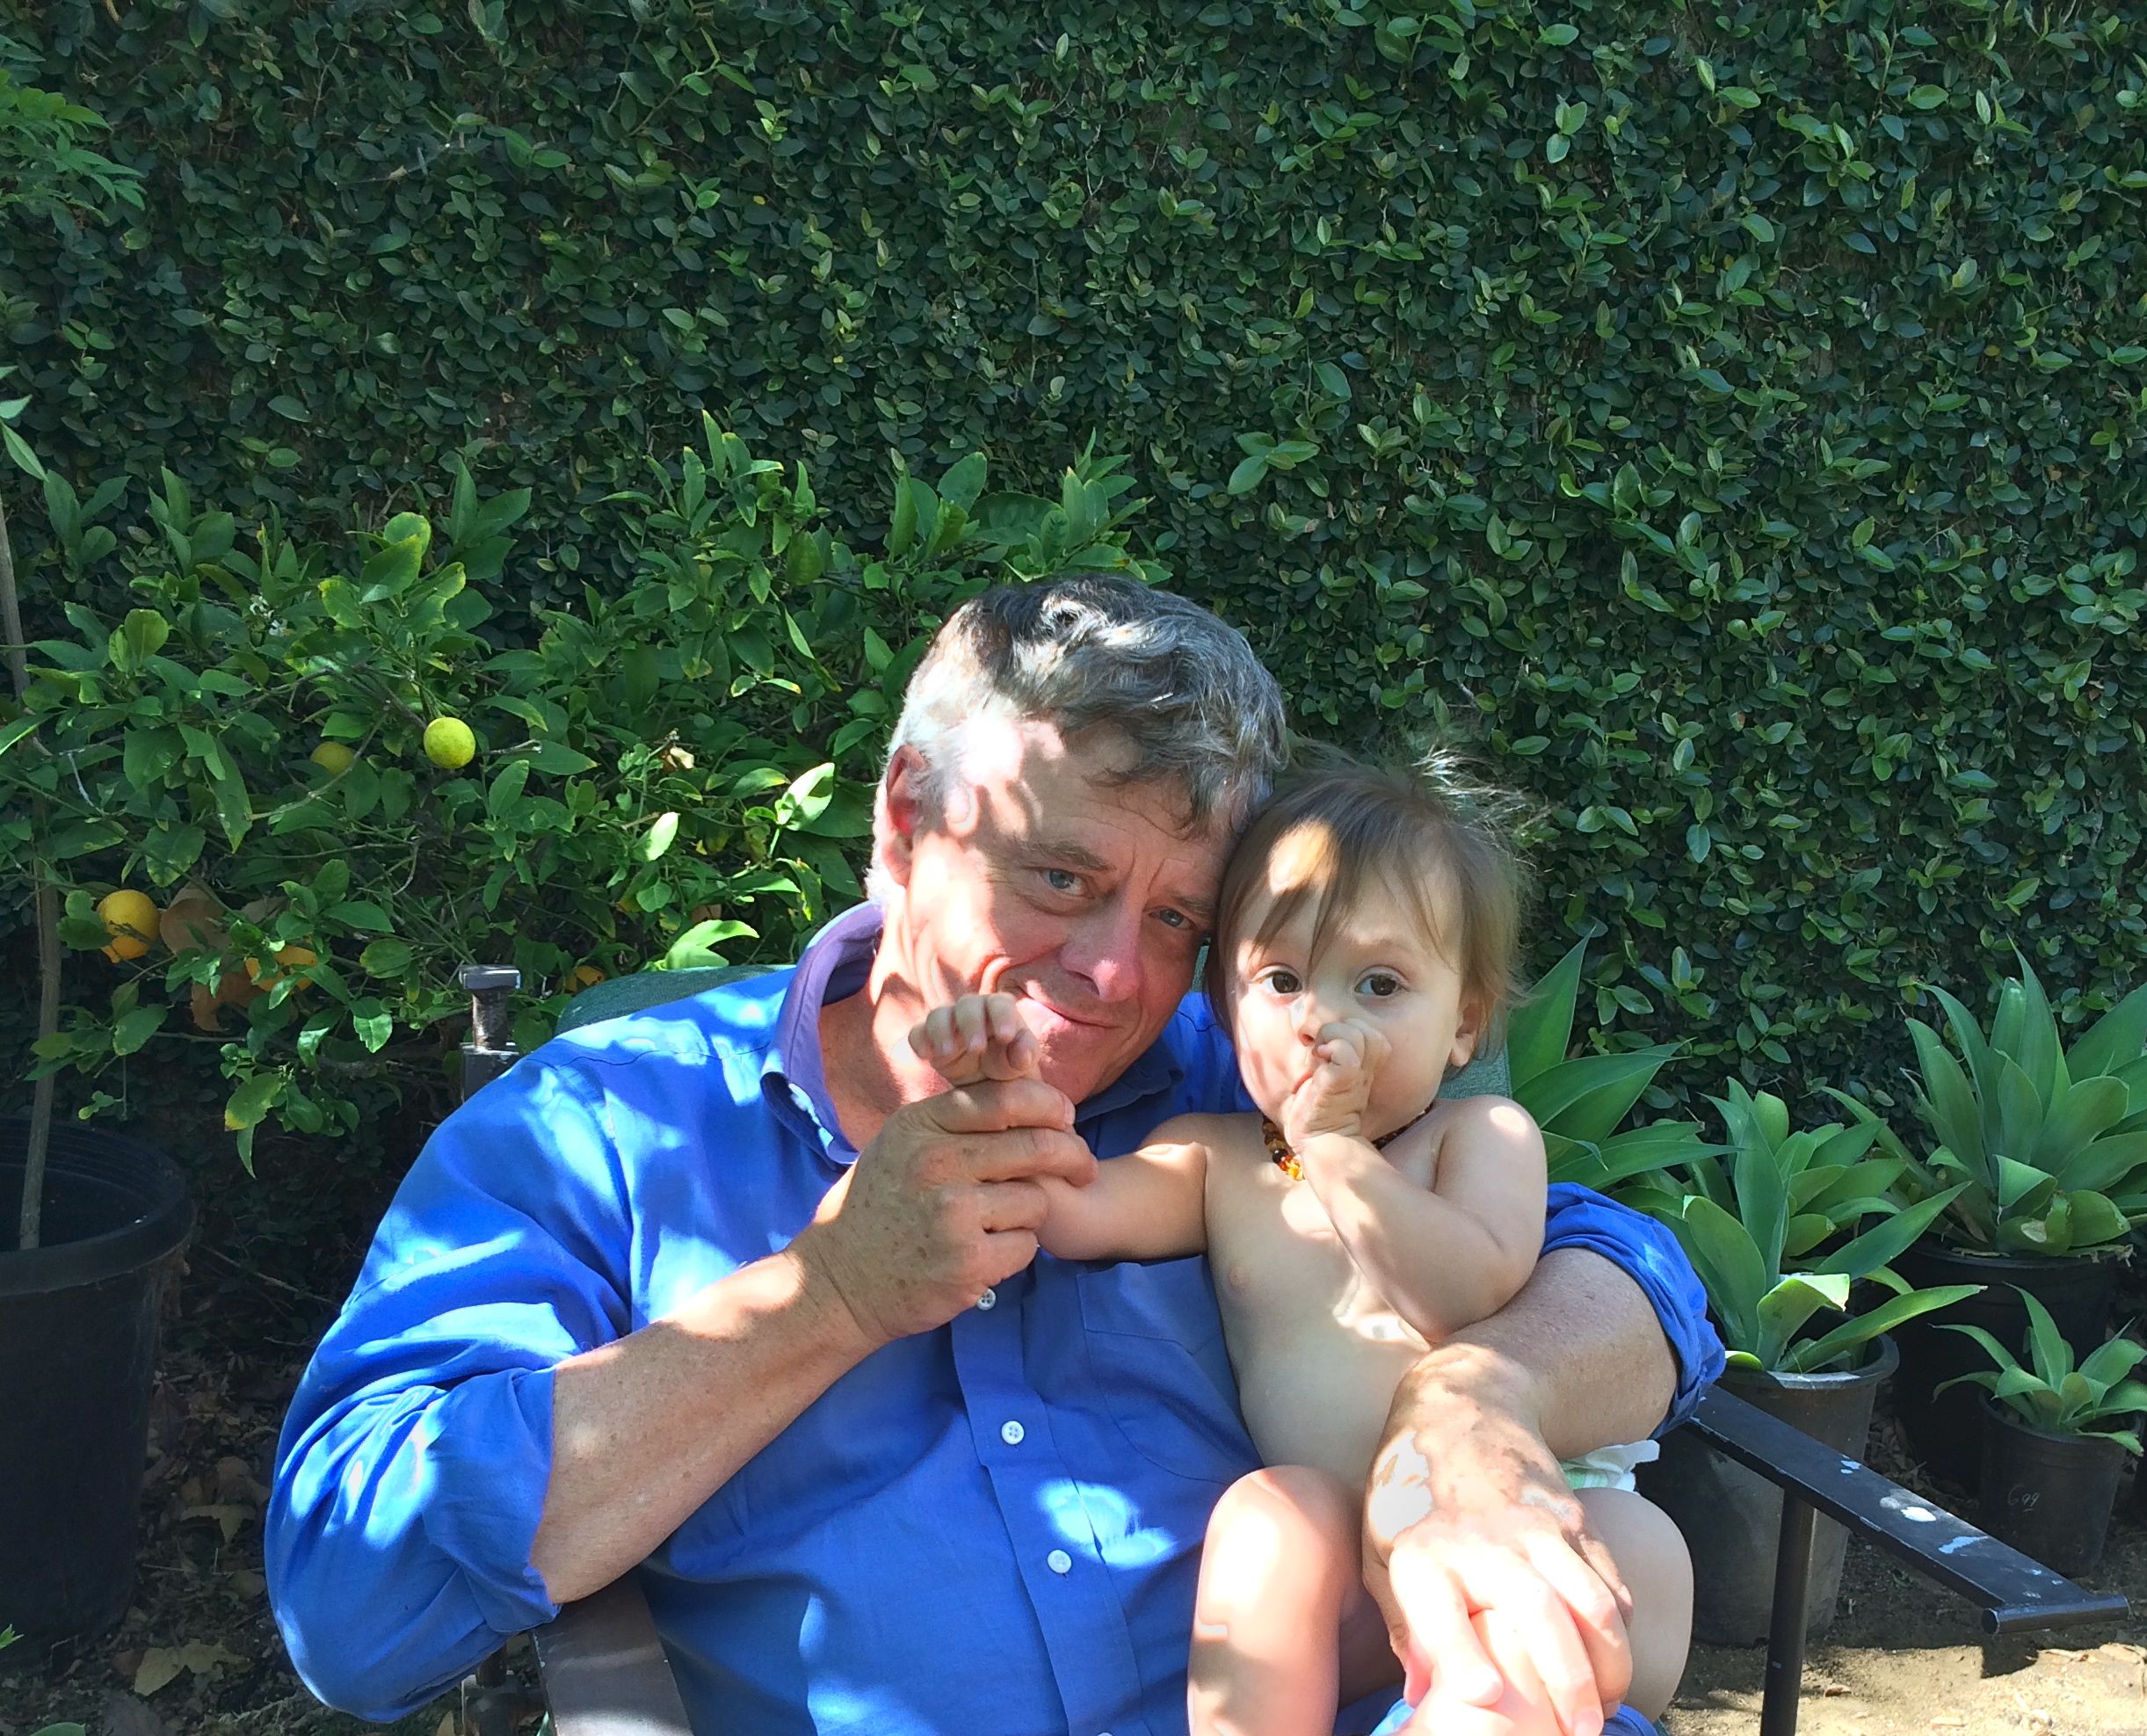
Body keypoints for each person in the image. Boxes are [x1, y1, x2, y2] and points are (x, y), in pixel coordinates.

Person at [265, 575, 1722, 1736]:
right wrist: (824, 1298)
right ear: (903, 821)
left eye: (1175, 920)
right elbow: (352, 1598)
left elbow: (1629, 1279)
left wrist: (1482, 1395)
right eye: (1059, 877)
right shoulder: (608, 1130)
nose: (1114, 973)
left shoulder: (1243, 1068)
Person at [908, 752, 1692, 1736]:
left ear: (1464, 1023)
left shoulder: (1479, 1137)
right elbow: (1070, 1210)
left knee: (1605, 1571)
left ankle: (1471, 1713)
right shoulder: (1212, 1159)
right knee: (1267, 1517)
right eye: (1280, 979)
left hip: (1516, 1519)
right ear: (1225, 1009)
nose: (1323, 1020)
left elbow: (1464, 1297)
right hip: (1342, 1571)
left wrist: (1334, 1150)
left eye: (1379, 983)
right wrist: (1000, 1091)